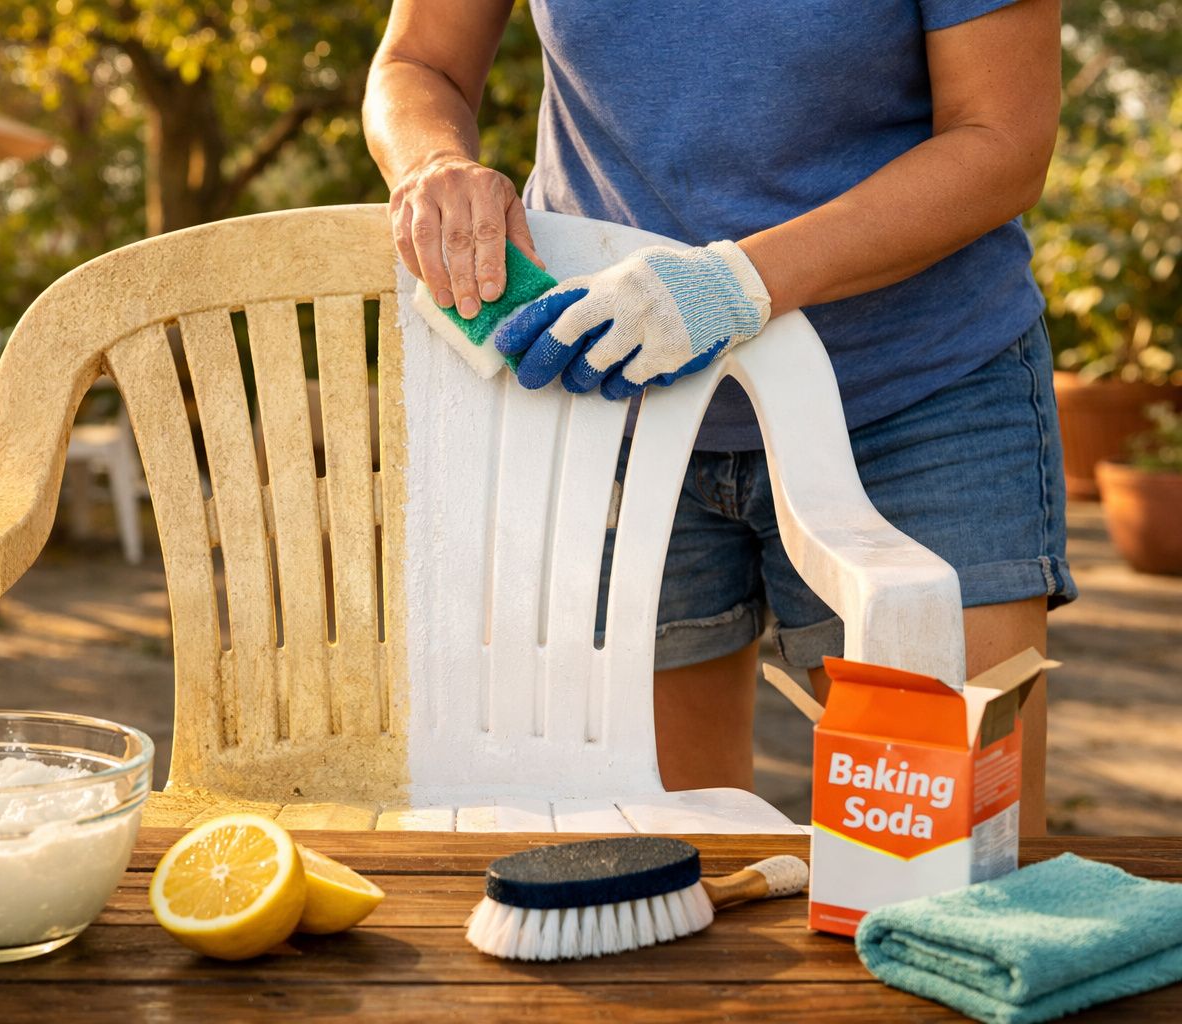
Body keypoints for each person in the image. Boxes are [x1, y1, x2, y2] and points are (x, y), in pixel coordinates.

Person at [364, 0, 1071, 834]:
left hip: (913, 398)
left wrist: (736, 283)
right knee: (651, 855)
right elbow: (420, 61)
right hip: (614, 403)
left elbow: (1003, 139)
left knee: (951, 856)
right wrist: (432, 163)